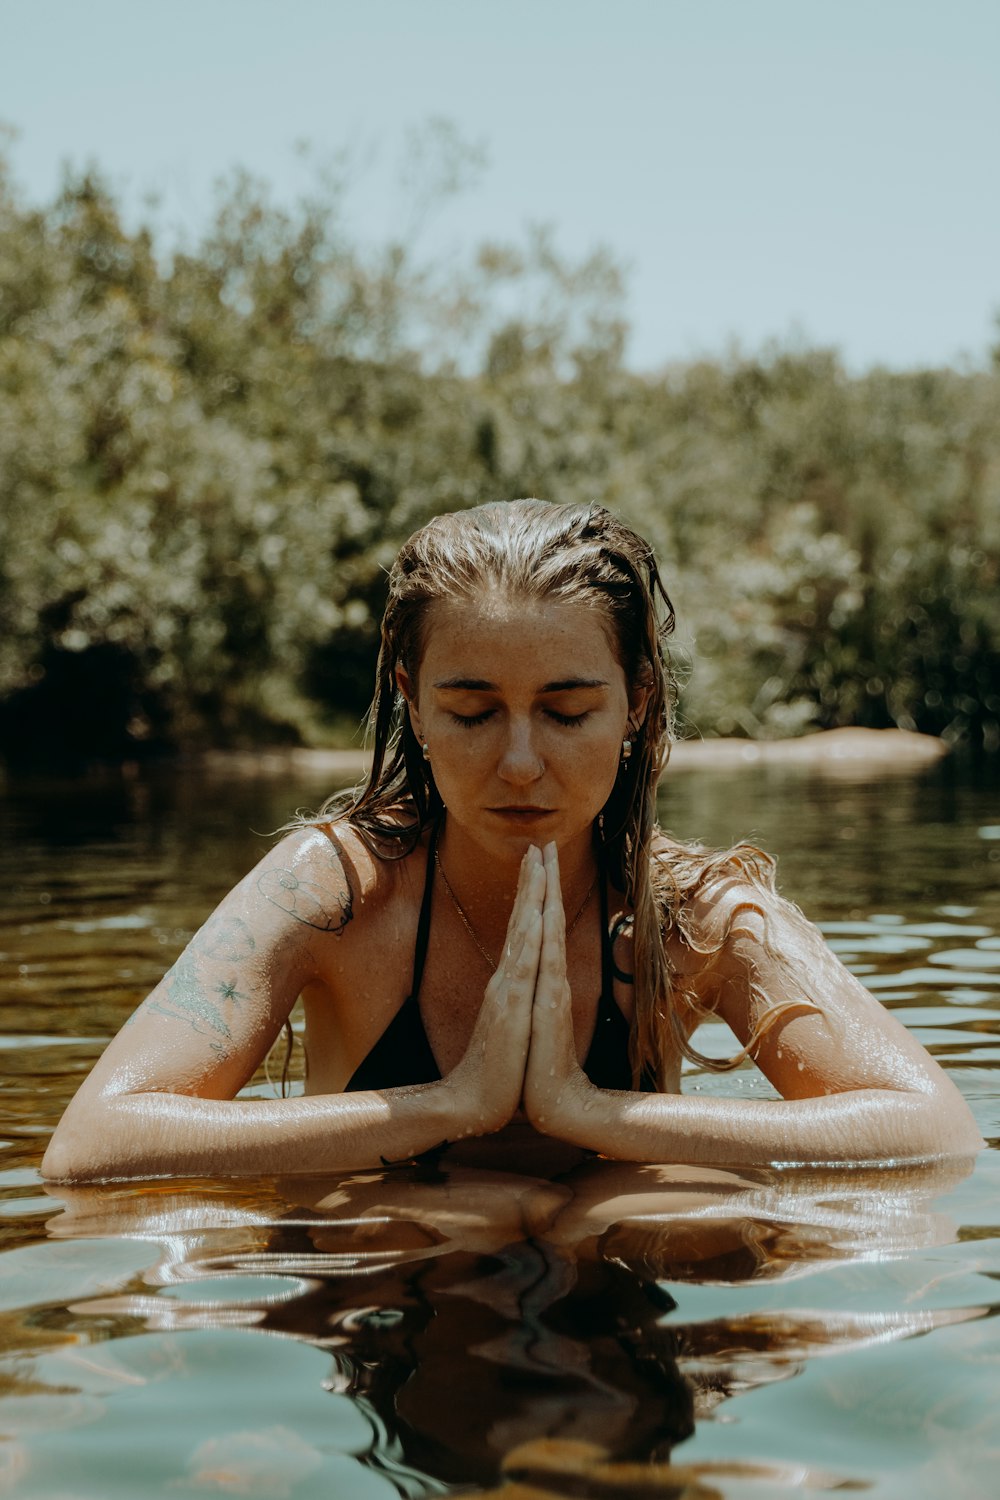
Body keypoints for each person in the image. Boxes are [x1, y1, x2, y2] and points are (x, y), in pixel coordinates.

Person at [41, 499, 982, 1182]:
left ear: (636, 702)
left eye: (568, 711)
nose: (521, 761)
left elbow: (934, 1132)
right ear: (411, 702)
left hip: (612, 1306)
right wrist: (452, 1105)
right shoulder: (333, 890)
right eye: (473, 710)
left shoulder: (690, 914)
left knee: (671, 1215)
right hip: (389, 1294)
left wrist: (591, 1112)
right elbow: (92, 1147)